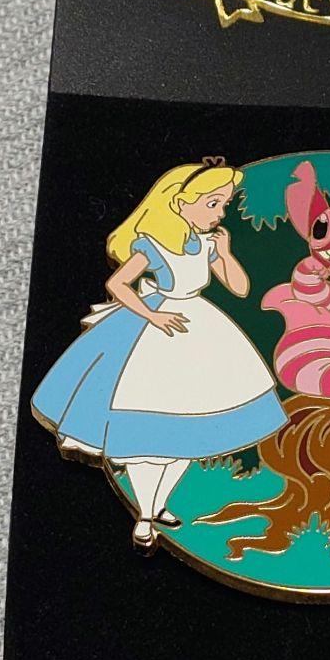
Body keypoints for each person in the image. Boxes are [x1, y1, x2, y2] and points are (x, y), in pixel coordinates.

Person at [31, 157, 286, 548]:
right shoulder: (152, 245)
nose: (220, 213)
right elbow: (118, 283)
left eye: (224, 205)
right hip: (156, 332)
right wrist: (152, 315)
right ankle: (146, 516)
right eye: (212, 203)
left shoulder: (207, 243)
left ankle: (157, 506)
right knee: (146, 434)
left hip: (200, 328)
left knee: (186, 434)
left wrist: (225, 252)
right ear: (181, 203)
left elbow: (239, 288)